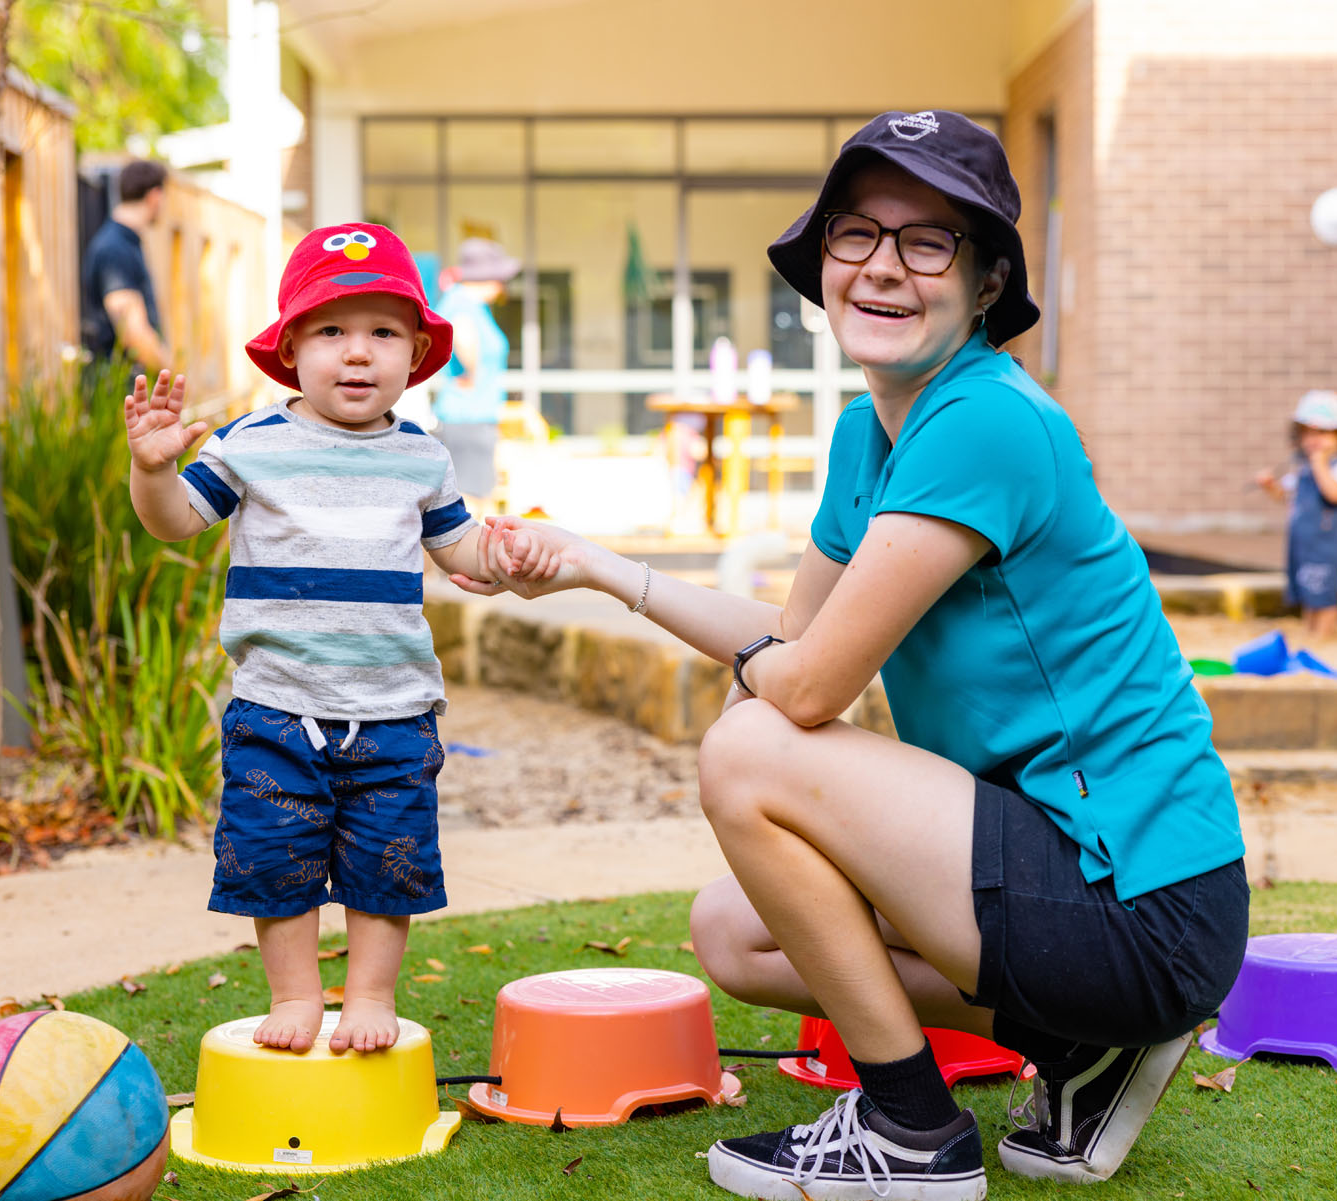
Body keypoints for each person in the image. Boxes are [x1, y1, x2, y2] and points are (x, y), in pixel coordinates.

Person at [466, 111, 1248, 1200]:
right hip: (1071, 880)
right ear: (826, 262)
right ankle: (1089, 1047)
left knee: (748, 752)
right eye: (856, 235)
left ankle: (910, 1127)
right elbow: (792, 646)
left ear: (984, 287)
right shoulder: (869, 432)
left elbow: (812, 683)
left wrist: (773, 674)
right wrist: (601, 566)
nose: (884, 265)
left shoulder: (986, 420)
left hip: (1142, 902)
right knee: (734, 936)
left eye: (929, 241)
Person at [123, 222, 526, 1056]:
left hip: (394, 711)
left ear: (415, 353)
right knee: (278, 862)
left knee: (389, 863)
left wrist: (507, 551)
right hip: (277, 708)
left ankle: (369, 993)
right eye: (332, 331)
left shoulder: (424, 455)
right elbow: (172, 525)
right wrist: (153, 470)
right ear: (290, 348)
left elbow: (462, 556)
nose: (357, 353)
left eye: (383, 333)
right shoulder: (249, 444)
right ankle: (298, 993)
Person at [1254, 390, 1337, 639]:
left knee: (1324, 595)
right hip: (1301, 545)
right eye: (1308, 433)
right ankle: (1310, 634)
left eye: (1322, 433)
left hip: (1325, 547)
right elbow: (1286, 496)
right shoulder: (1301, 470)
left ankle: (1324, 637)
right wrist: (1271, 486)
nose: (1313, 440)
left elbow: (1335, 494)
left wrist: (1319, 464)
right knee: (1308, 594)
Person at [432, 237, 520, 513]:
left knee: (477, 495)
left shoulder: (467, 303)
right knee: (471, 500)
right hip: (468, 415)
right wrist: (473, 371)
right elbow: (463, 337)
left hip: (473, 414)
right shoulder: (462, 302)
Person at [83, 160, 170, 373]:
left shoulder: (126, 243)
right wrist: (172, 373)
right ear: (154, 195)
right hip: (123, 395)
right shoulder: (115, 248)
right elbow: (133, 334)